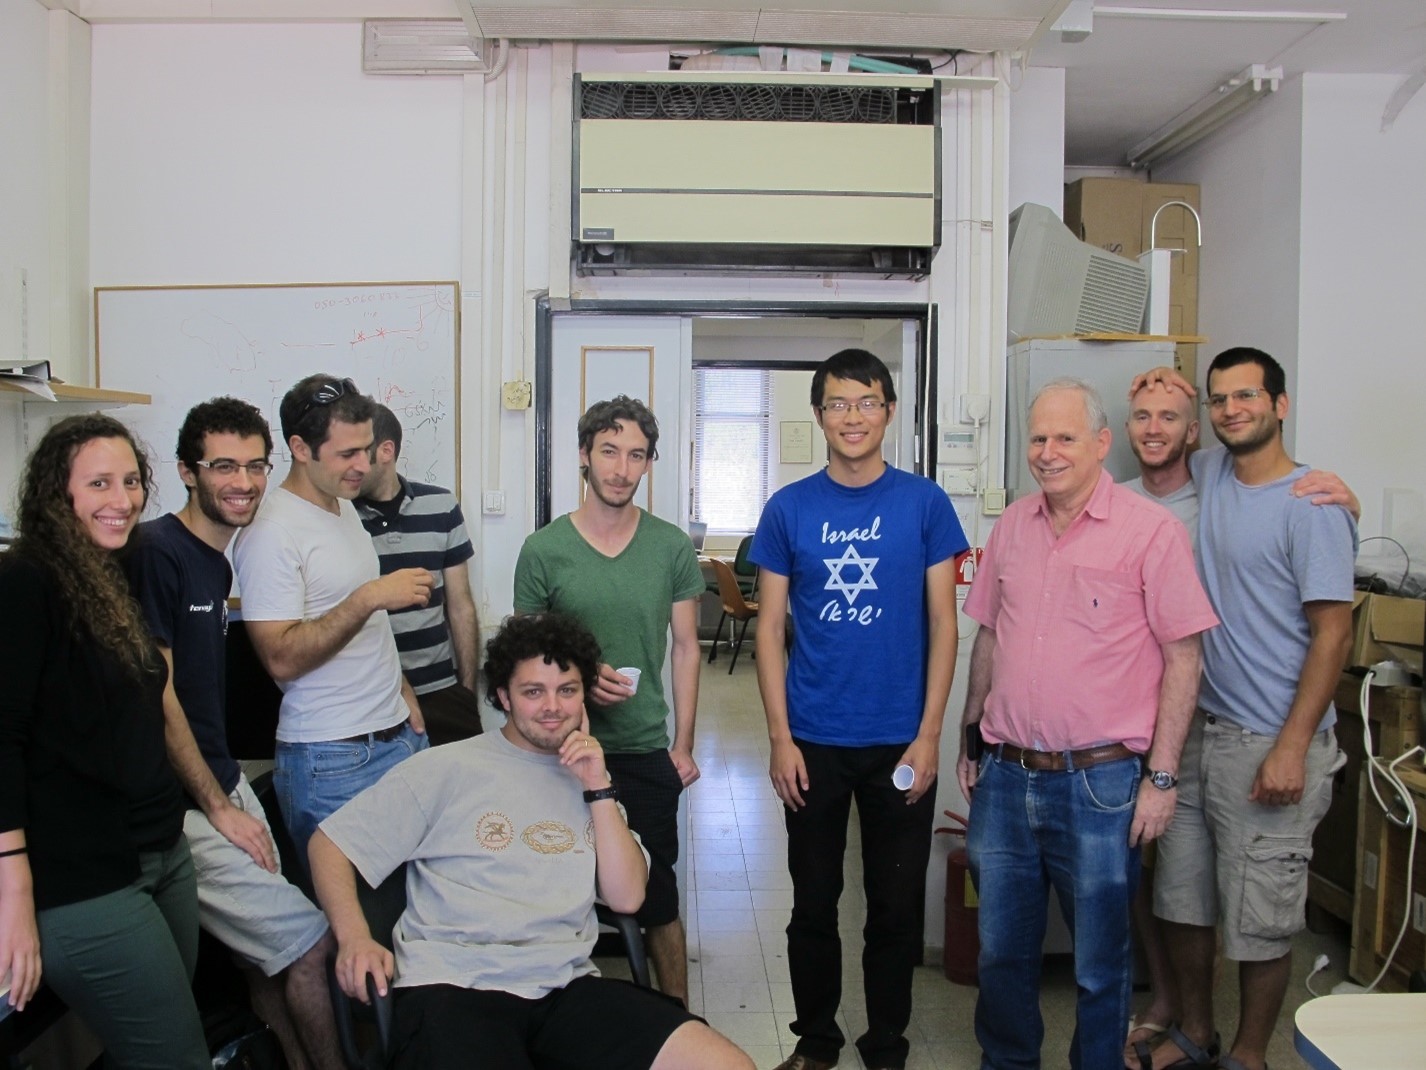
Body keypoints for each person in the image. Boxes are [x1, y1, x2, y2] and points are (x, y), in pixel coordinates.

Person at [307, 612, 754, 1070]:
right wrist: (355, 936)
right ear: (503, 696)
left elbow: (628, 896)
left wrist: (598, 787)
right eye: (532, 691)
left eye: (567, 690)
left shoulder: (592, 781)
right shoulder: (447, 768)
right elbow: (329, 844)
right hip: (454, 986)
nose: (552, 707)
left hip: (564, 986)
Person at [956, 378, 1219, 1070]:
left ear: (1102, 444)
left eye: (1065, 437)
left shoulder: (1150, 532)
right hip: (1007, 776)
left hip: (1101, 783)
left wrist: (1160, 778)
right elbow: (988, 636)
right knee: (1001, 954)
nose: (1047, 452)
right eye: (1038, 438)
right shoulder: (1012, 525)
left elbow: (1183, 658)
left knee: (1102, 964)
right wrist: (970, 734)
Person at [1118, 379, 1358, 1069]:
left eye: (1244, 397)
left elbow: (1333, 635)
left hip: (1271, 738)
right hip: (1195, 729)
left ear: (1281, 405)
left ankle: (1249, 1055)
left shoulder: (1302, 498)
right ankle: (1196, 1032)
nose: (1231, 411)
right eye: (1220, 398)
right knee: (1181, 892)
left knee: (1260, 915)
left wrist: (1289, 746)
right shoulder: (1217, 472)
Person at [750, 348, 966, 1070]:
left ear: (890, 411)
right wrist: (780, 739)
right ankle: (816, 1043)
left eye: (866, 402)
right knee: (813, 906)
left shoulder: (925, 504)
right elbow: (768, 628)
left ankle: (886, 1047)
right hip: (813, 739)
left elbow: (946, 624)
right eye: (837, 404)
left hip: (901, 744)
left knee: (894, 911)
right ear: (819, 415)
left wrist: (930, 734)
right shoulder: (789, 509)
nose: (852, 416)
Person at [123, 397, 342, 1070]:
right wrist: (218, 807)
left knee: (265, 957)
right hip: (184, 801)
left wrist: (230, 791)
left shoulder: (217, 562)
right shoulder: (156, 552)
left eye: (254, 466)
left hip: (220, 779)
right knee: (307, 942)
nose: (242, 482)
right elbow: (156, 698)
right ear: (188, 471)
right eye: (223, 466)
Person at [0, 414, 209, 1066]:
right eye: (98, 484)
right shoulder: (24, 580)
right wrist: (14, 896)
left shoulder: (108, 571)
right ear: (56, 493)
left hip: (161, 850)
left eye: (130, 481)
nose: (121, 500)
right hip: (83, 881)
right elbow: (1, 738)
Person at [513, 395, 703, 1005]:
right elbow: (528, 655)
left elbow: (686, 649)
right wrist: (579, 668)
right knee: (550, 888)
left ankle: (677, 1018)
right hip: (559, 750)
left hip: (644, 747)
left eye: (637, 455)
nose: (622, 469)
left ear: (649, 463)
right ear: (584, 457)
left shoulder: (669, 546)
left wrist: (684, 745)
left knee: (658, 895)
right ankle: (551, 1008)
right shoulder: (544, 550)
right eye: (610, 452)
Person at [232, 374, 434, 860]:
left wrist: (403, 696)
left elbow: (369, 631)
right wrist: (369, 597)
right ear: (300, 448)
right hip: (333, 759)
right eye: (347, 454)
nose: (363, 466)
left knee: (407, 911)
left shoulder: (341, 508)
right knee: (351, 923)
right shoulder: (271, 531)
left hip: (396, 737)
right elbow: (280, 658)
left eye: (366, 449)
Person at [357, 403, 483, 745]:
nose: (349, 464)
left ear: (386, 451)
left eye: (357, 452)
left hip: (442, 693)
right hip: (370, 699)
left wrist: (466, 691)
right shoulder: (339, 515)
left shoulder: (440, 506)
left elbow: (460, 605)